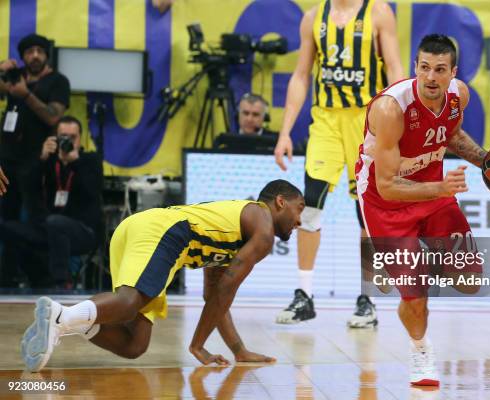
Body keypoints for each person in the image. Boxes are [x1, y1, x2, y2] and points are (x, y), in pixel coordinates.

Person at [21, 179, 304, 372]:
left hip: (147, 231)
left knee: (135, 345)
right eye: (299, 209)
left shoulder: (236, 228)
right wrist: (197, 345)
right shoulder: (263, 229)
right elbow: (226, 288)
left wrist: (238, 350)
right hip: (163, 232)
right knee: (129, 302)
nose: (300, 220)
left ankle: (72, 322)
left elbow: (214, 294)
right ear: (280, 202)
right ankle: (60, 317)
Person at [356, 34, 486, 385]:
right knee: (416, 296)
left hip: (432, 191)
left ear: (452, 72)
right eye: (424, 68)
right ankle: (420, 349)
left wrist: (487, 162)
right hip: (386, 203)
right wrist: (442, 188)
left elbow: (452, 136)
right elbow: (387, 185)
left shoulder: (459, 95)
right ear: (416, 67)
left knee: (471, 280)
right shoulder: (390, 108)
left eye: (439, 70)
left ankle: (421, 264)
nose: (431, 77)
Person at [273, 0, 404, 328]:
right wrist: (285, 131)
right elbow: (301, 76)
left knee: (367, 212)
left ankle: (368, 299)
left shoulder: (378, 13)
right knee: (309, 207)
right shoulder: (312, 19)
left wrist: (399, 126)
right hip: (326, 123)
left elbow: (395, 70)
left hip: (366, 120)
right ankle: (304, 296)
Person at [0, 116, 103, 288]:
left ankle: (60, 284)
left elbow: (93, 190)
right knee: (8, 228)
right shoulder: (49, 161)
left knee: (56, 222)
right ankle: (31, 280)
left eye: (72, 137)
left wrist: (75, 162)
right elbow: (25, 185)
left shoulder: (90, 161)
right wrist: (41, 159)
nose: (68, 141)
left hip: (83, 231)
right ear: (55, 137)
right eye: (63, 136)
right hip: (48, 227)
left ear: (81, 139)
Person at [0, 33, 70, 286]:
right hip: (7, 159)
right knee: (6, 219)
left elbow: (53, 117)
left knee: (34, 220)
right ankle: (7, 275)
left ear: (47, 55)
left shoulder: (57, 81)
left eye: (40, 51)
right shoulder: (14, 77)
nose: (35, 55)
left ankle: (39, 275)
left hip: (36, 162)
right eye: (30, 52)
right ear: (22, 57)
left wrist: (25, 95)